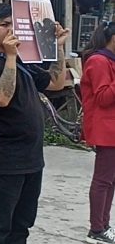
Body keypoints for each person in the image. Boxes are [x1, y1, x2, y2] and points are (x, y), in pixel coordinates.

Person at [0, 2, 69, 244]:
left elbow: (56, 84)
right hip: (5, 159)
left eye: (13, 24)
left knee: (21, 226)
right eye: (3, 25)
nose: (10, 29)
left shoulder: (25, 63)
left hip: (32, 159)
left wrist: (58, 47)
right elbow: (1, 98)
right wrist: (11, 57)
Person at [80, 21, 115, 244]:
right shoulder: (98, 61)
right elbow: (103, 97)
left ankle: (104, 224)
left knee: (110, 180)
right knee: (103, 180)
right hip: (105, 129)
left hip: (111, 127)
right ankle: (97, 228)